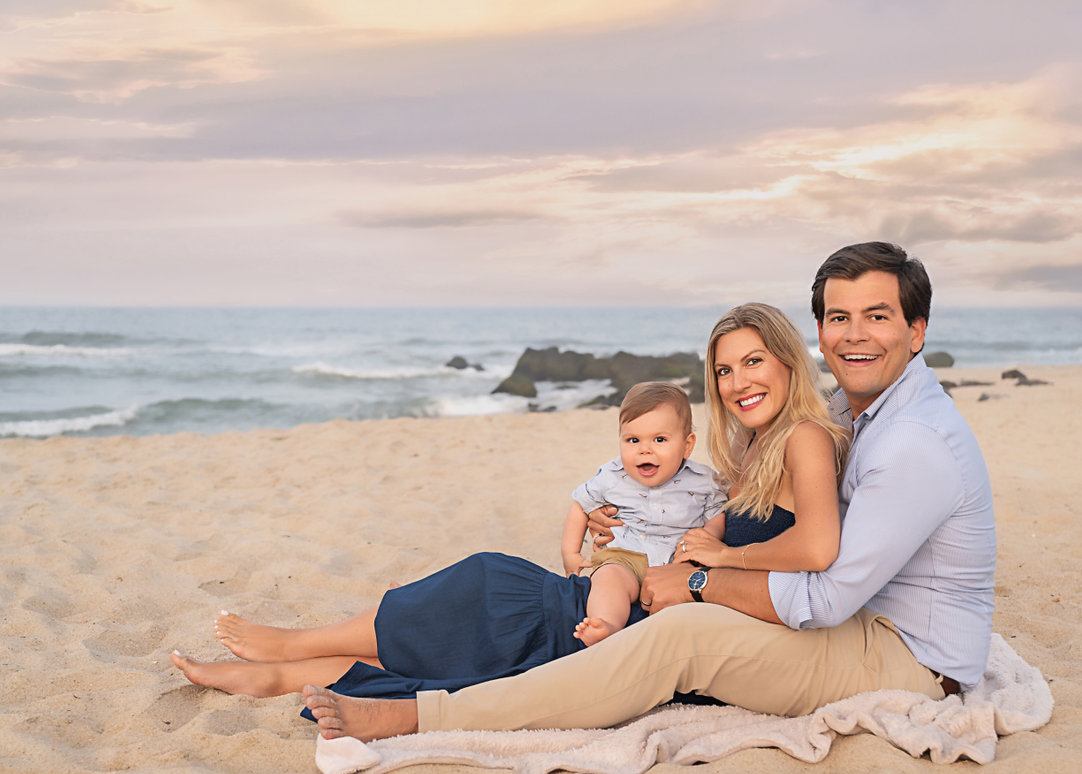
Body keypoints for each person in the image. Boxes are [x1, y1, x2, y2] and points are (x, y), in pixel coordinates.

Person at [303, 241, 997, 742]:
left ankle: (419, 715)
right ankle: (386, 654)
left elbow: (827, 589)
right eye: (839, 318)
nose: (854, 334)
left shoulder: (911, 443)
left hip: (906, 659)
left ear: (916, 329)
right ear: (817, 333)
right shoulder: (854, 412)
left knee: (674, 639)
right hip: (866, 624)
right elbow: (767, 513)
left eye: (877, 316)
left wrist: (699, 581)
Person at [171, 304, 845, 708]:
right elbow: (709, 518)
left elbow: (817, 549)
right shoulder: (758, 453)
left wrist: (719, 561)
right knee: (472, 602)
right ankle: (284, 668)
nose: (737, 382)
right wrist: (640, 527)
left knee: (483, 591)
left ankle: (292, 649)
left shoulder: (805, 438)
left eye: (754, 362)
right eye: (725, 370)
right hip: (629, 605)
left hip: (638, 626)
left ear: (788, 361)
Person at [563, 381, 727, 646]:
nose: (644, 449)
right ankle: (606, 624)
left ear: (687, 445)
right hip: (626, 556)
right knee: (609, 580)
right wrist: (570, 554)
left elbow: (716, 513)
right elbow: (580, 505)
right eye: (633, 440)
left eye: (660, 439)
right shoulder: (611, 476)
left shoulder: (704, 481)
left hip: (679, 560)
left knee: (685, 600)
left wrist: (706, 539)